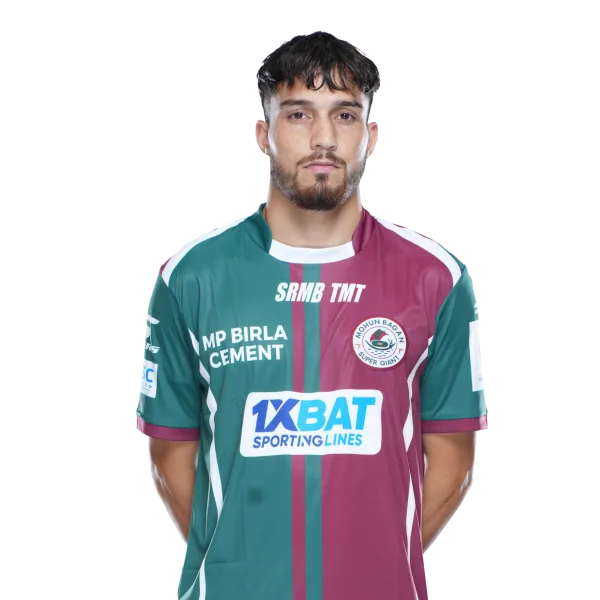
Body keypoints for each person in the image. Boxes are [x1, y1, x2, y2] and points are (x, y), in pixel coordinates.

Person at [136, 30, 487, 600]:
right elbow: (173, 451)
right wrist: (240, 562)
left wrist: (372, 564)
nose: (323, 138)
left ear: (371, 135)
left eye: (344, 115)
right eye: (299, 114)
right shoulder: (192, 277)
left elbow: (451, 457)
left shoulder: (435, 278)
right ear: (262, 134)